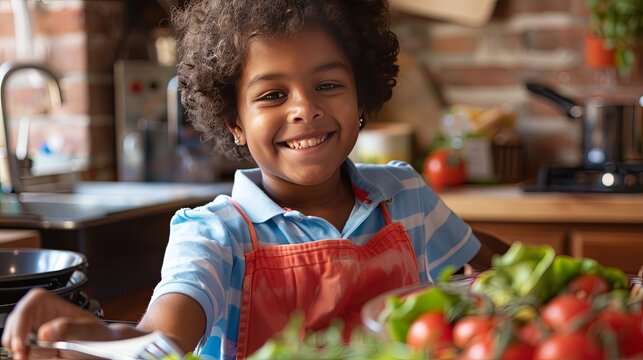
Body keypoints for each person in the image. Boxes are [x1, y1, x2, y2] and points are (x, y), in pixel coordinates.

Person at [2, 0, 490, 359]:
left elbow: (496, 271)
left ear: (361, 96)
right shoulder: (214, 235)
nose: (305, 108)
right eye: (272, 94)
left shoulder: (406, 196)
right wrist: (89, 334)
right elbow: (161, 338)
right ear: (233, 120)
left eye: (327, 85)